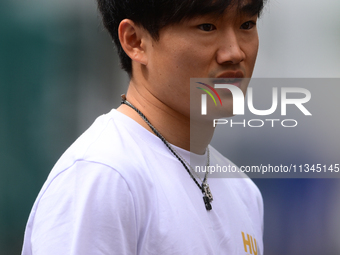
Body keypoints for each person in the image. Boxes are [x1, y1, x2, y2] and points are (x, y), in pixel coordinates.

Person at [22, 0, 266, 254]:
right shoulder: (103, 175)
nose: (235, 52)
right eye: (207, 27)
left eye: (247, 24)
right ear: (135, 41)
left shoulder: (243, 190)